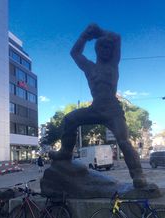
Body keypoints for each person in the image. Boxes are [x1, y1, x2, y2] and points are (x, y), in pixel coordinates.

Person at [49, 24, 147, 188]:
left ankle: (138, 175)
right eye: (102, 46)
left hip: (113, 110)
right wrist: (83, 37)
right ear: (97, 50)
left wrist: (99, 32)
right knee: (70, 119)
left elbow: (117, 37)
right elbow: (74, 53)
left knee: (123, 141)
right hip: (95, 109)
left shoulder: (113, 64)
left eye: (109, 47)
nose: (106, 50)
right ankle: (65, 153)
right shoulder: (89, 67)